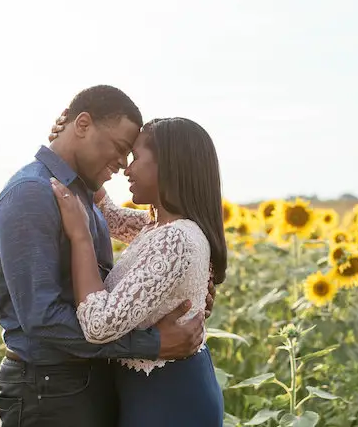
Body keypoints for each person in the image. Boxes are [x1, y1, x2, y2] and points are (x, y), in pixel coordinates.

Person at [0, 86, 216, 427]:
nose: (124, 164)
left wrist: (184, 295)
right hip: (50, 389)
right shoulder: (32, 194)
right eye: (122, 149)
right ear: (83, 125)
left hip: (90, 382)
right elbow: (43, 320)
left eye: (132, 155)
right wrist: (151, 343)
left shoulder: (81, 194)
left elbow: (156, 240)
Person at [50, 116, 226, 426]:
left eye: (136, 158)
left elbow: (98, 325)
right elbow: (112, 217)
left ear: (169, 166)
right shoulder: (159, 228)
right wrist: (74, 149)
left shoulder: (176, 238)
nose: (126, 169)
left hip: (168, 401)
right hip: (158, 392)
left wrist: (80, 236)